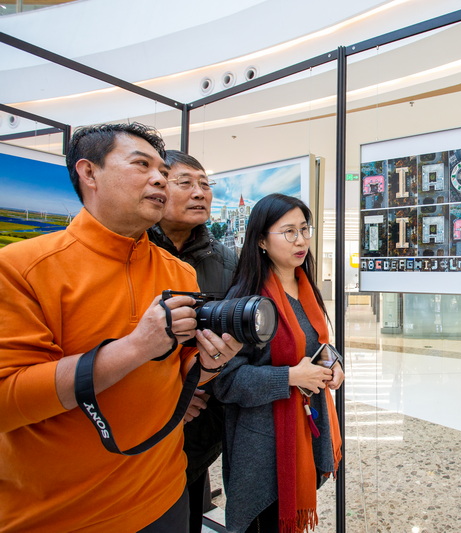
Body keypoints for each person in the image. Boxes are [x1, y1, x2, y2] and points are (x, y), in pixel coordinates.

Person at [0, 123, 242, 532]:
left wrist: (209, 363)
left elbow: (179, 371)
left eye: (162, 171)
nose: (159, 179)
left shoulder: (179, 272)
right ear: (89, 173)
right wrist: (135, 347)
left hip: (164, 494)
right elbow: (7, 399)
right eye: (141, 165)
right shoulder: (21, 268)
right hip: (59, 514)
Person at [214, 193, 343, 533]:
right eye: (289, 232)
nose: (301, 240)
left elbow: (317, 344)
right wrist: (289, 377)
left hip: (306, 429)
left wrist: (334, 363)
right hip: (262, 447)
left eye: (304, 229)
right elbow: (225, 381)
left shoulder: (307, 288)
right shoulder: (245, 301)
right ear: (261, 241)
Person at [148, 150, 238, 533]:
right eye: (185, 183)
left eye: (205, 184)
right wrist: (170, 397)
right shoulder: (133, 252)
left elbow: (240, 342)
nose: (199, 192)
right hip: (137, 425)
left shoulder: (229, 263)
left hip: (201, 426)